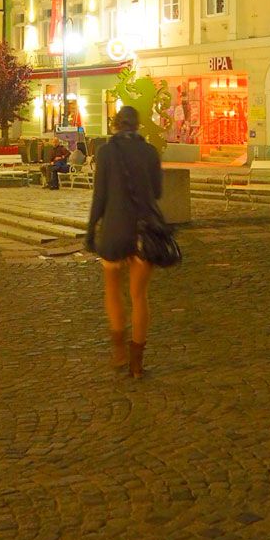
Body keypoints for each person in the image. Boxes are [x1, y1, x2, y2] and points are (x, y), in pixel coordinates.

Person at [85, 106, 162, 377]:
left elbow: (100, 196)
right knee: (139, 297)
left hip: (115, 230)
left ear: (116, 125)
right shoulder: (150, 152)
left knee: (113, 291)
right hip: (144, 231)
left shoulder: (105, 152)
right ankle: (137, 364)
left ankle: (118, 351)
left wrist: (91, 229)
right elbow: (158, 191)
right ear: (138, 125)